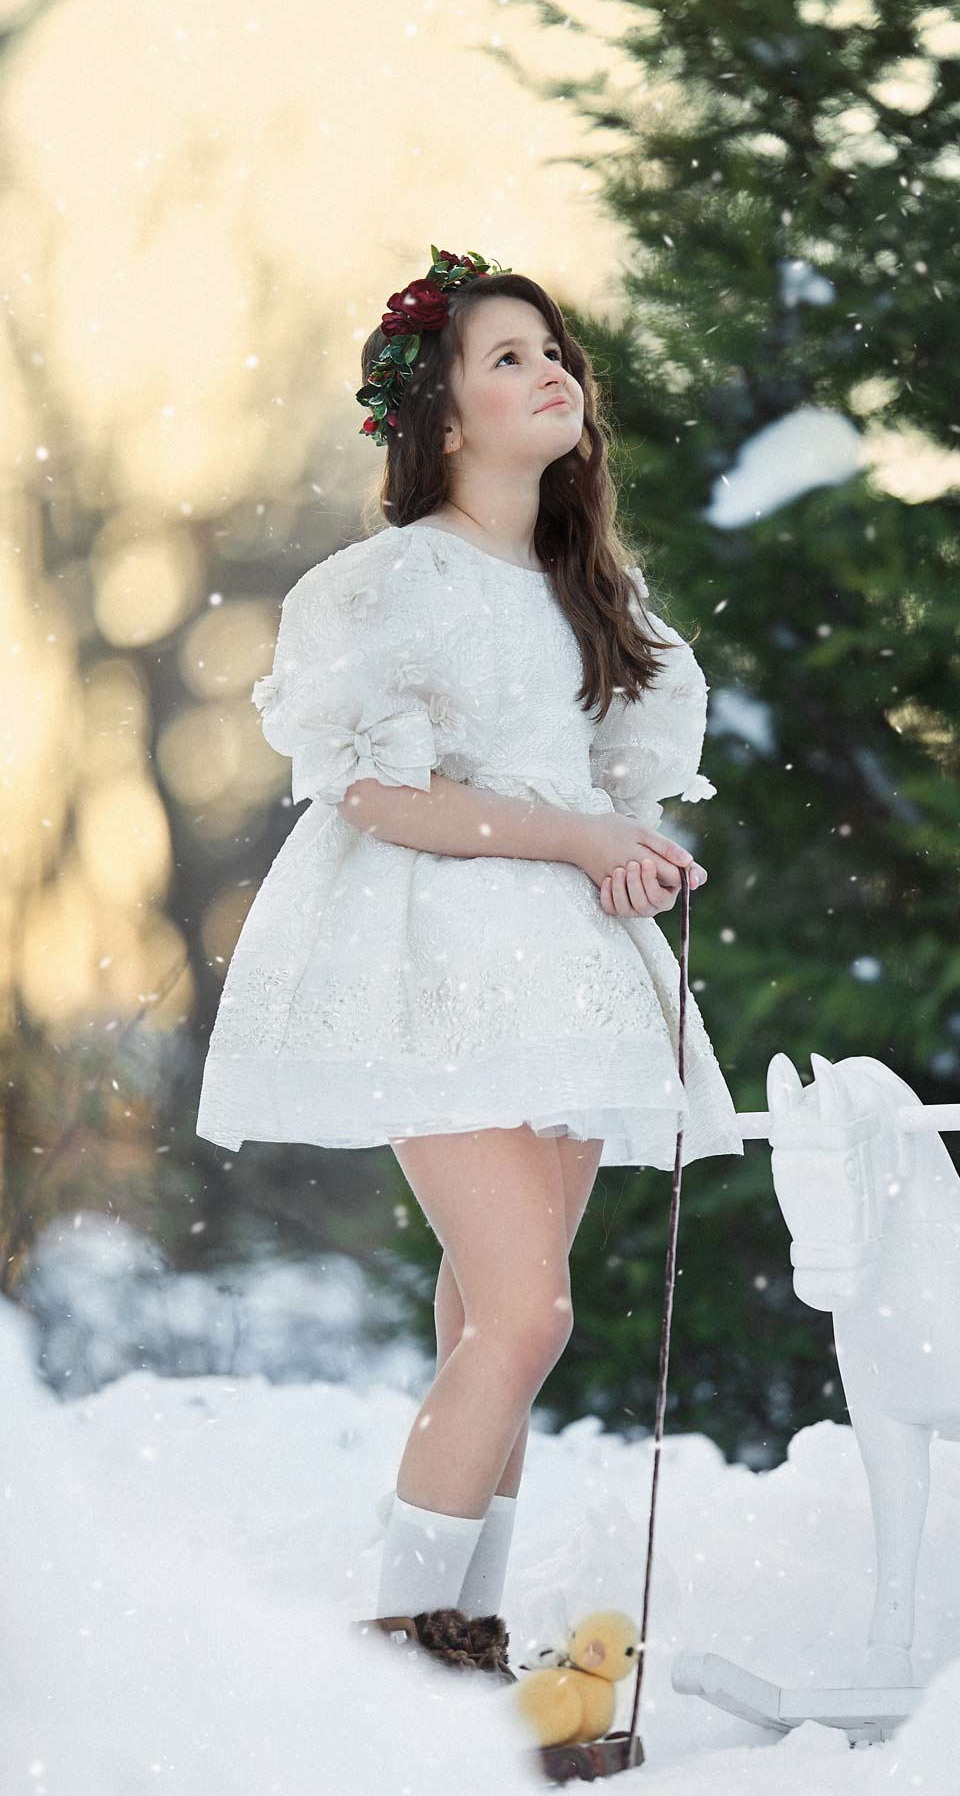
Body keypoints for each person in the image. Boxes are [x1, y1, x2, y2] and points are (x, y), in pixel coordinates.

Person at [195, 248, 745, 1679]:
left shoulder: (590, 592)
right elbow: (380, 796)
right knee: (525, 1312)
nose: (548, 370)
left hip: (564, 971)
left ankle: (462, 1632)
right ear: (441, 419)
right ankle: (406, 1643)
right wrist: (576, 837)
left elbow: (600, 791)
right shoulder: (388, 586)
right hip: (435, 965)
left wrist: (630, 852)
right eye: (507, 357)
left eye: (553, 350)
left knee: (489, 1315)